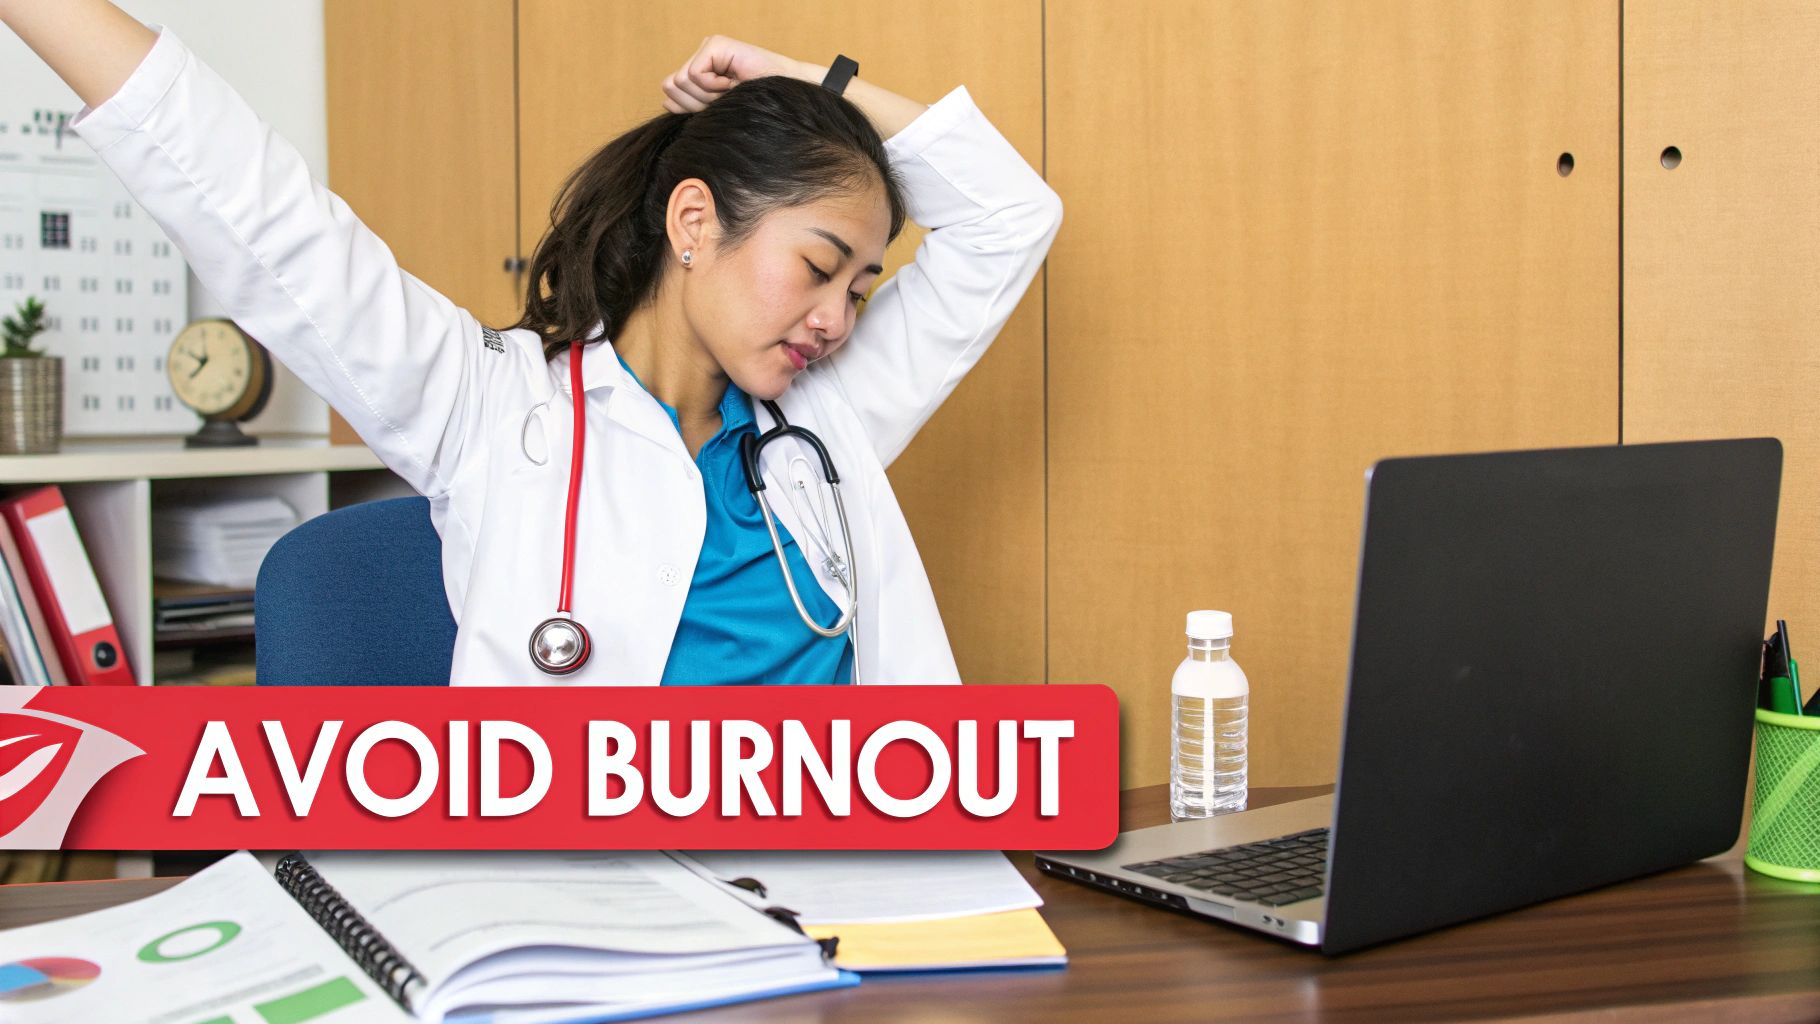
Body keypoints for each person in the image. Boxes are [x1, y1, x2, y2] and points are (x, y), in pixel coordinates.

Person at [0, 1, 1062, 685]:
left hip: (842, 893)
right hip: (595, 907)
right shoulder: (488, 408)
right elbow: (253, 206)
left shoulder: (829, 415)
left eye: (863, 288)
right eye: (819, 265)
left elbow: (1009, 216)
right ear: (694, 223)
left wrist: (800, 87)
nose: (837, 316)